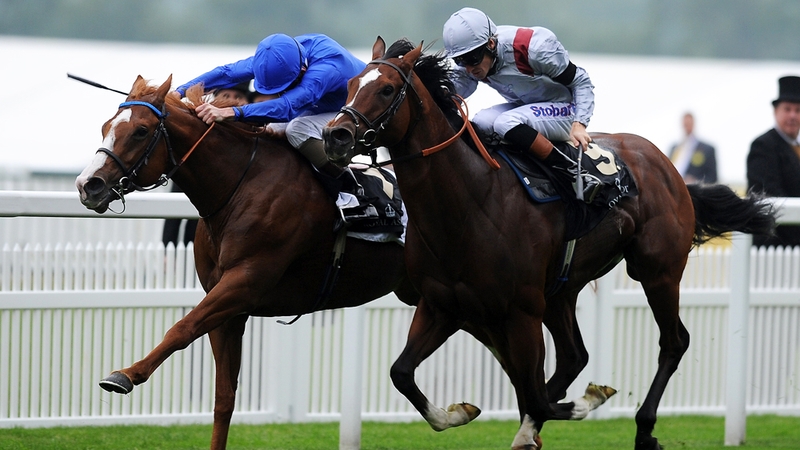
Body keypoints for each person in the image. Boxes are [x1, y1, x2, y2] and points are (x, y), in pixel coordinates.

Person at [171, 33, 366, 196]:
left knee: (297, 130)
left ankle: (353, 188)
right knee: (270, 130)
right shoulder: (277, 56)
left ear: (302, 70)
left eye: (284, 87)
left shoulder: (325, 70)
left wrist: (232, 111)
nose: (279, 92)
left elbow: (288, 106)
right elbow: (226, 73)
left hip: (361, 111)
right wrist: (178, 92)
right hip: (323, 105)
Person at [442, 7, 599, 202]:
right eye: (460, 60)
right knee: (480, 122)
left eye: (472, 59)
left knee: (504, 123)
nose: (468, 68)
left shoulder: (535, 48)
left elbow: (581, 80)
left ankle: (574, 173)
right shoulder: (474, 60)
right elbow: (455, 91)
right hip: (529, 107)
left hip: (566, 109)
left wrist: (580, 123)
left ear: (491, 44)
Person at [163, 82, 253, 248]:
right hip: (195, 243)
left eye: (238, 97)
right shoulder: (195, 147)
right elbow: (174, 205)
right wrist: (169, 245)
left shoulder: (258, 141)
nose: (232, 101)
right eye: (226, 96)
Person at [747, 75, 800, 247]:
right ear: (776, 111)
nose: (793, 116)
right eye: (787, 109)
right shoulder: (763, 146)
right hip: (774, 246)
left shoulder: (796, 147)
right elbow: (769, 196)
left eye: (798, 110)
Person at [669, 112, 717, 184]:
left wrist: (694, 182)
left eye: (689, 124)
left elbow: (712, 178)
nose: (687, 127)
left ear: (693, 124)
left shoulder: (707, 150)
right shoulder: (674, 148)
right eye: (685, 124)